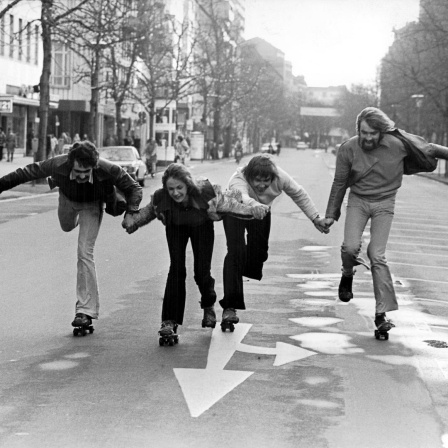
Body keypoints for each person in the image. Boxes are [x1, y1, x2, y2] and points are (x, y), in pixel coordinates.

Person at [323, 107, 448, 334]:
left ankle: (382, 315)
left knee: (377, 255)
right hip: (358, 201)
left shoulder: (397, 144)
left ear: (381, 133)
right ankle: (347, 274)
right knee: (350, 247)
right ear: (358, 130)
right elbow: (340, 182)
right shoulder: (348, 149)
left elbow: (429, 149)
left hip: (385, 203)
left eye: (373, 133)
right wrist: (331, 214)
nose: (368, 137)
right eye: (364, 132)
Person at [0, 141, 143, 330]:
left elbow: (135, 188)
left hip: (92, 204)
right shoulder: (58, 164)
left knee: (84, 252)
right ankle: (77, 221)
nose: (82, 176)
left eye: (87, 172)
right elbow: (26, 172)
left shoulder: (109, 169)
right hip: (67, 199)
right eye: (78, 172)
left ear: (95, 165)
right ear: (70, 164)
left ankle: (85, 311)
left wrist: (131, 212)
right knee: (66, 227)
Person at [122, 163, 269, 343]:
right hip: (176, 227)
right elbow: (145, 213)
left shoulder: (206, 193)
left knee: (201, 272)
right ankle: (169, 321)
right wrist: (132, 222)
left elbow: (232, 206)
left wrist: (254, 210)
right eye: (171, 189)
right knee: (176, 269)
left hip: (201, 226)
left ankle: (208, 303)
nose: (175, 193)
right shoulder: (161, 198)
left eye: (179, 188)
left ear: (188, 185)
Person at [221, 154, 329, 327]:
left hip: (262, 211)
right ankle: (229, 307)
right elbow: (243, 197)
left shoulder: (280, 176)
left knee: (259, 254)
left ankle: (238, 269)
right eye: (257, 181)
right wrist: (255, 205)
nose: (262, 186)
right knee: (236, 252)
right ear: (249, 176)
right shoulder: (238, 179)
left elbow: (299, 193)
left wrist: (315, 218)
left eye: (267, 181)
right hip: (236, 210)